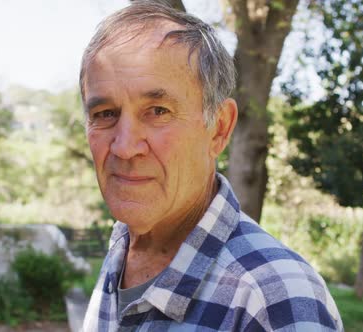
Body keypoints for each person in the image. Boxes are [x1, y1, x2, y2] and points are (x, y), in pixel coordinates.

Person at [80, 2, 342, 331]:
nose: (125, 146)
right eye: (105, 114)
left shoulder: (273, 301)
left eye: (158, 111)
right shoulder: (122, 254)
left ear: (218, 129)